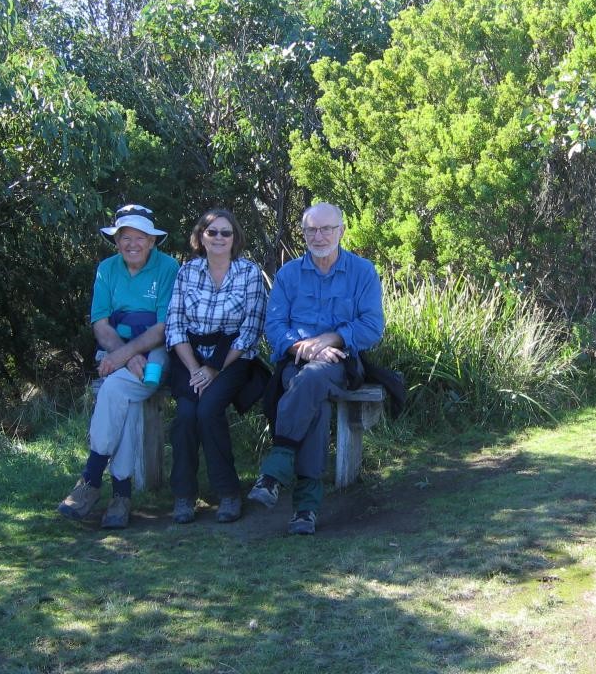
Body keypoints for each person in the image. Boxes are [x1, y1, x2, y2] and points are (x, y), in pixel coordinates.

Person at [247, 203, 384, 535]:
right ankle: (305, 510)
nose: (319, 236)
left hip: (342, 363)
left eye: (326, 229)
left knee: (315, 378)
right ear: (304, 233)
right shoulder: (289, 274)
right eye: (311, 230)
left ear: (341, 230)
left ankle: (276, 469)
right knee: (314, 398)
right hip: (296, 362)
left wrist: (332, 339)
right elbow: (275, 326)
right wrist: (301, 347)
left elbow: (372, 326)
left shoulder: (362, 271)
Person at [58, 205, 180, 527]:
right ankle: (120, 498)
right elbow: (100, 323)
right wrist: (125, 354)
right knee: (120, 397)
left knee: (113, 389)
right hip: (117, 353)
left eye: (140, 238)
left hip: (156, 355)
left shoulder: (169, 268)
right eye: (125, 238)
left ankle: (91, 479)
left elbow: (163, 326)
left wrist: (127, 355)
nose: (132, 245)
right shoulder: (107, 269)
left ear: (152, 241)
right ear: (117, 241)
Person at [164, 208, 267, 524]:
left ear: (235, 238)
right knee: (185, 414)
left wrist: (213, 369)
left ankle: (228, 493)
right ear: (201, 237)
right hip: (188, 357)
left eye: (226, 232)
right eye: (213, 232)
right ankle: (183, 495)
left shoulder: (249, 273)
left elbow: (251, 329)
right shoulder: (187, 272)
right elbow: (175, 324)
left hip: (232, 357)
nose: (219, 238)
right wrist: (196, 367)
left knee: (208, 410)